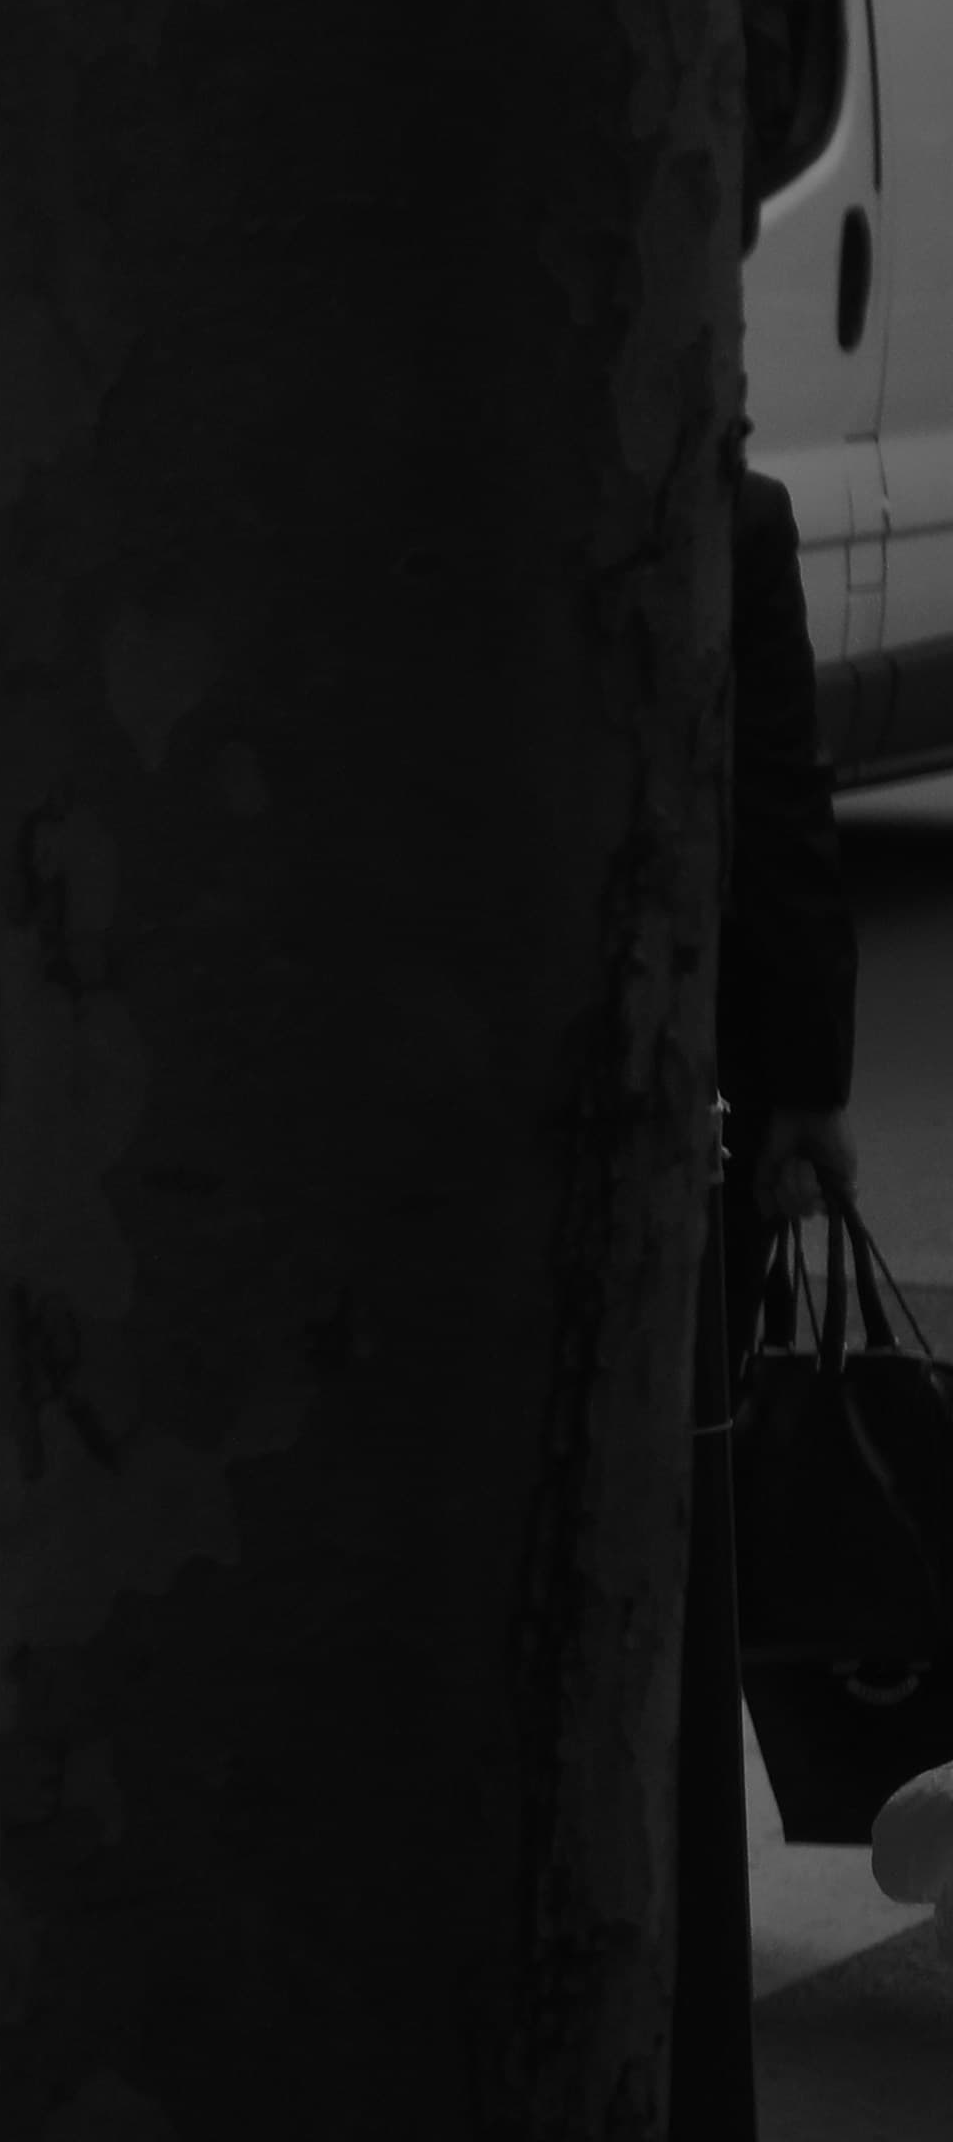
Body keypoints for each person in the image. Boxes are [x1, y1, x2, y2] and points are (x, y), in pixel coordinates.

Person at [669, 459, 862, 2135]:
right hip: (677, 1121)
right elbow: (775, 806)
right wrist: (801, 1086)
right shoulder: (717, 514)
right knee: (674, 1530)